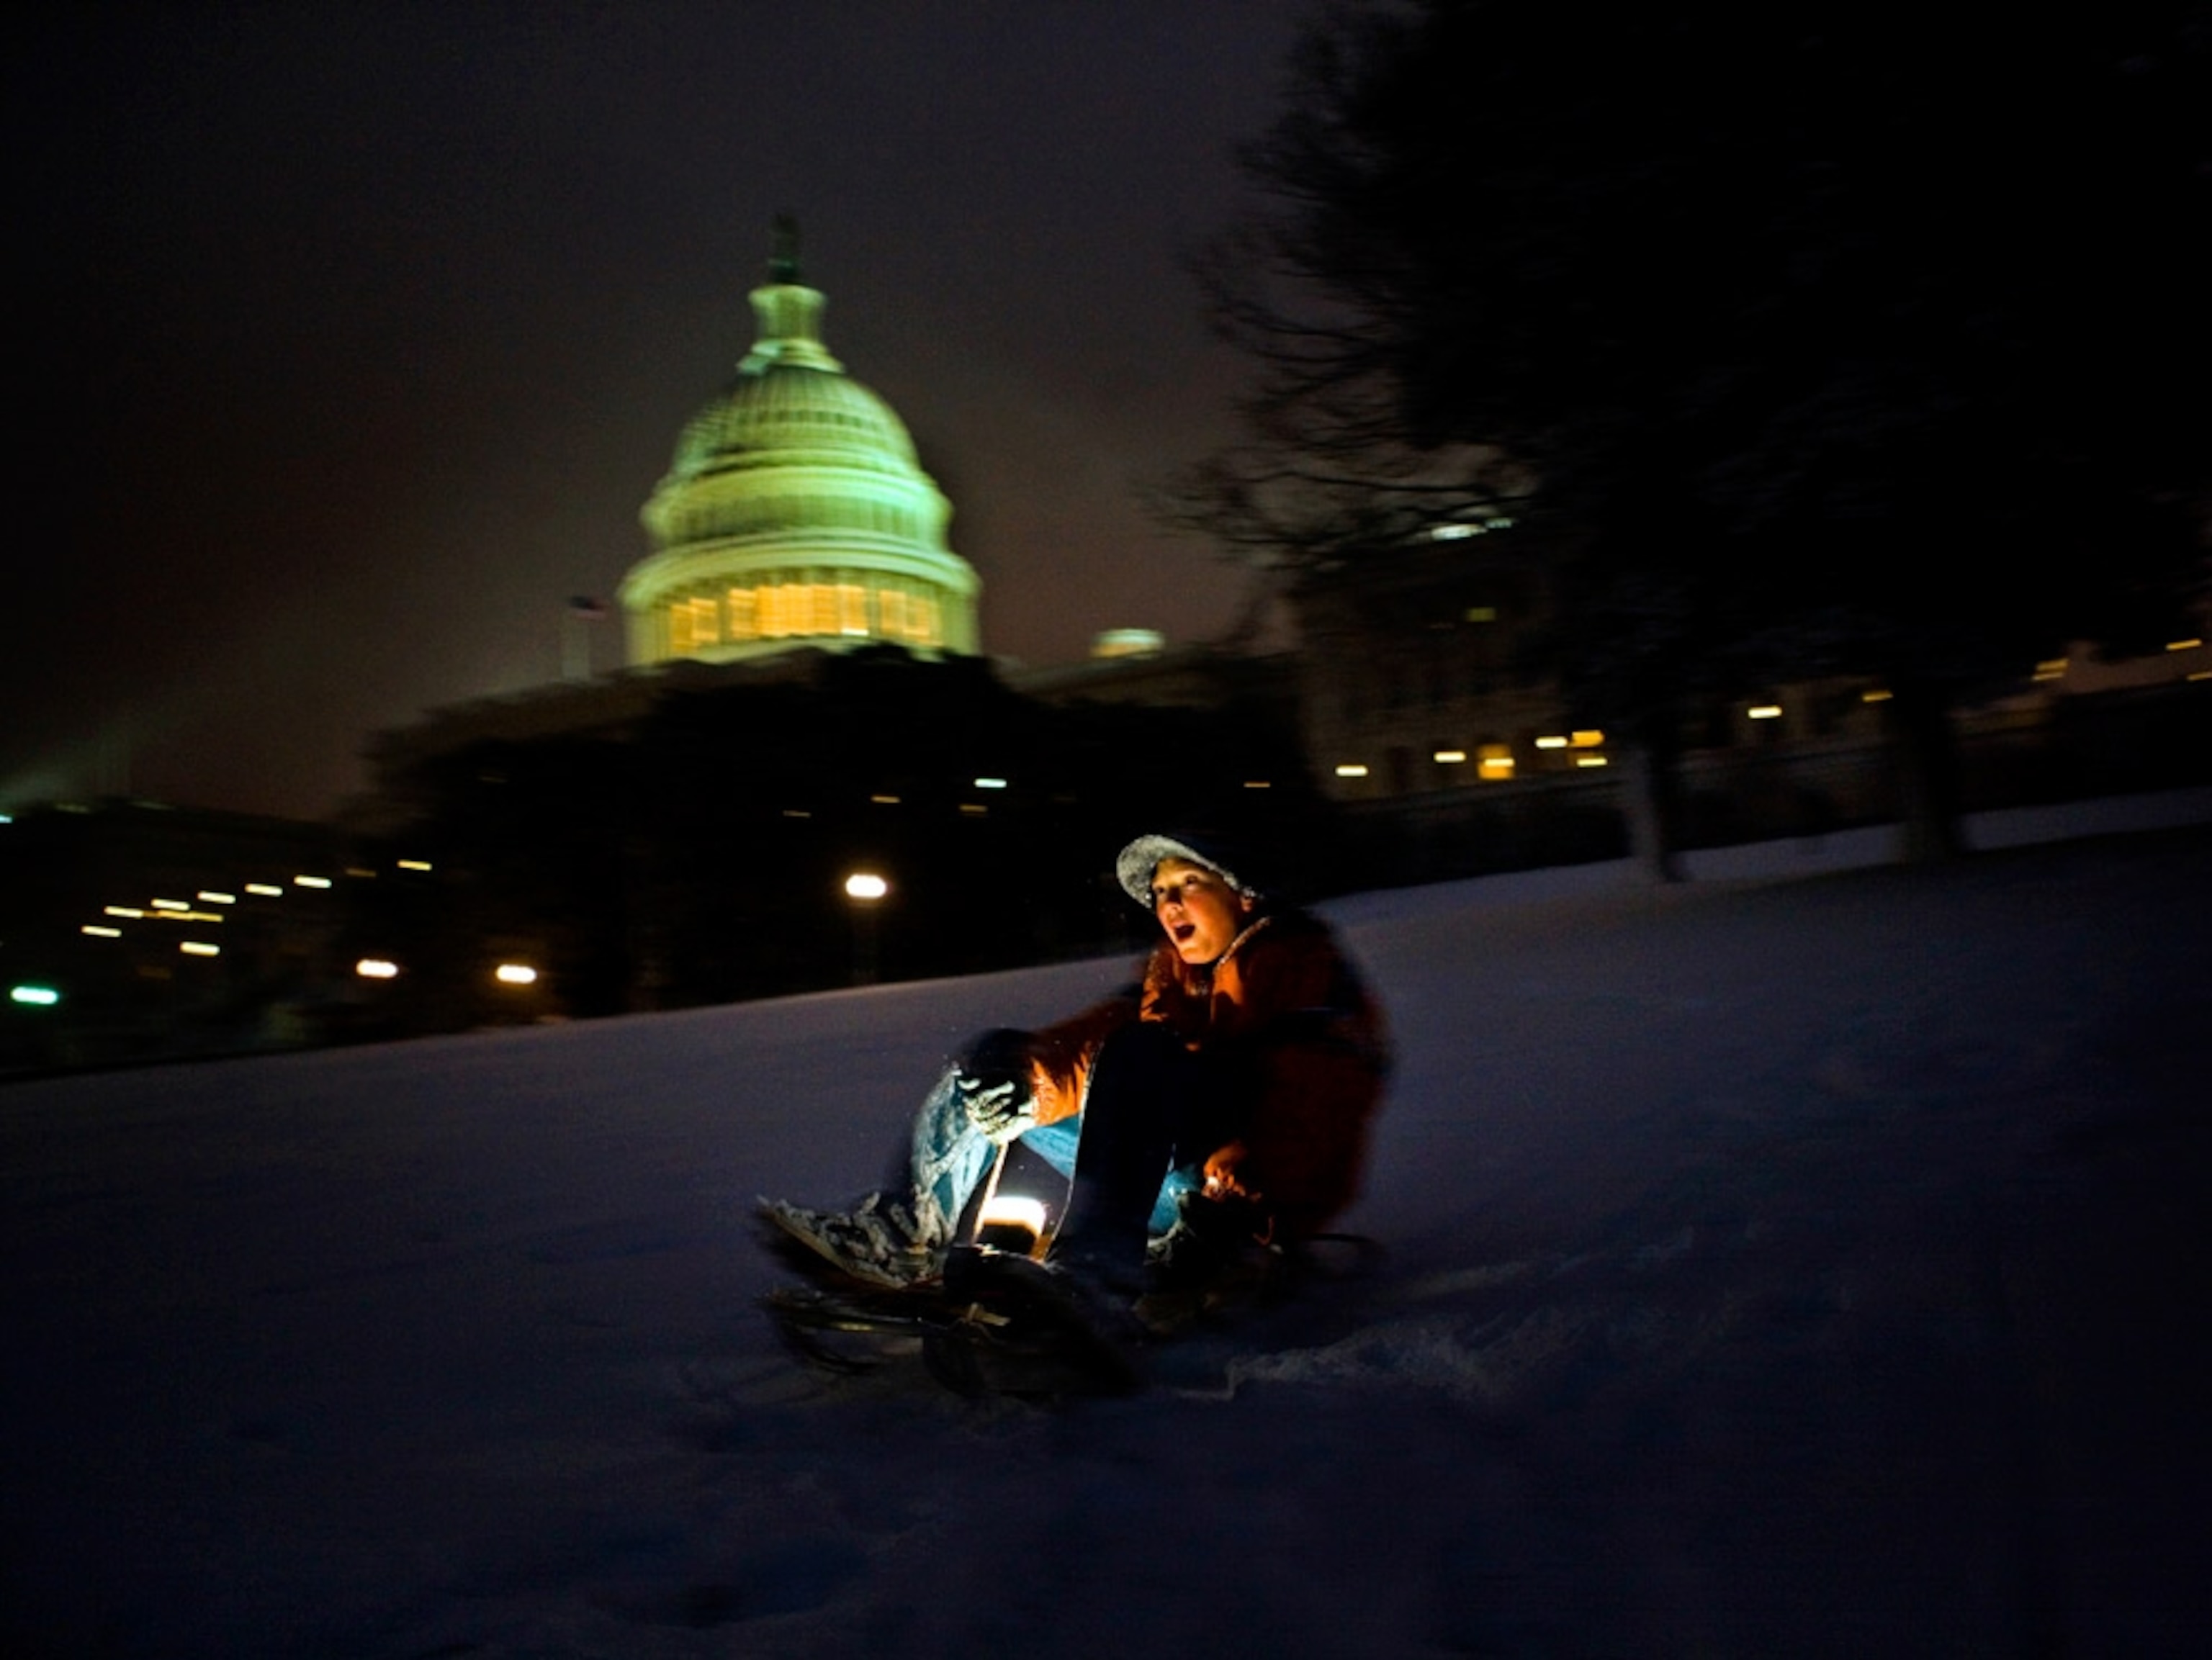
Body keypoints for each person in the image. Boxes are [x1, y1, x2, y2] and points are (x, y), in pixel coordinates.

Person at [764, 832, 1390, 1320]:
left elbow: (1317, 1108)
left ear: (1241, 892)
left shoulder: (1302, 968)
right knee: (992, 1060)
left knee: (1145, 1053)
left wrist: (1234, 1211)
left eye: (1188, 882)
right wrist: (1022, 1083)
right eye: (1160, 892)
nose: (1168, 903)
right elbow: (1083, 1047)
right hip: (1167, 1183)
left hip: (1242, 1209)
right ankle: (901, 1237)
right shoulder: (1170, 981)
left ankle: (1096, 1275)